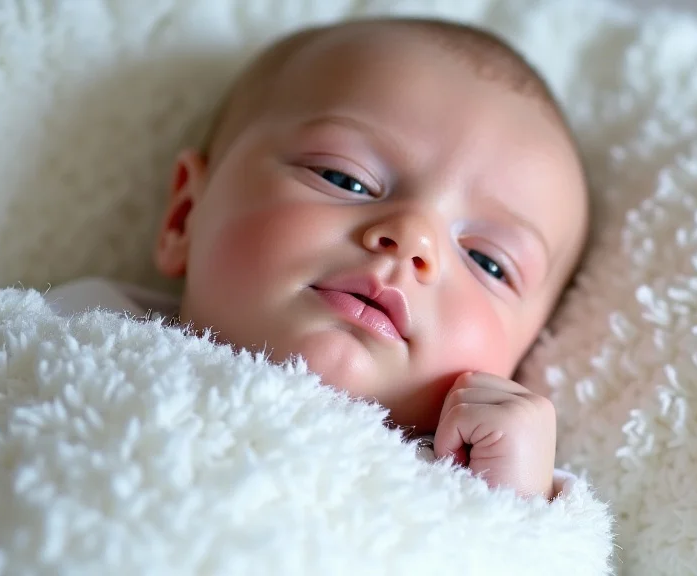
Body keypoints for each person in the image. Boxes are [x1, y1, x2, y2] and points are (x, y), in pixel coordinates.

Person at [49, 16, 590, 499]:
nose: (412, 239)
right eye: (343, 177)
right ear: (185, 218)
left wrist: (518, 504)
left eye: (488, 262)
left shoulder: (479, 488)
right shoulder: (73, 337)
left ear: (522, 356)